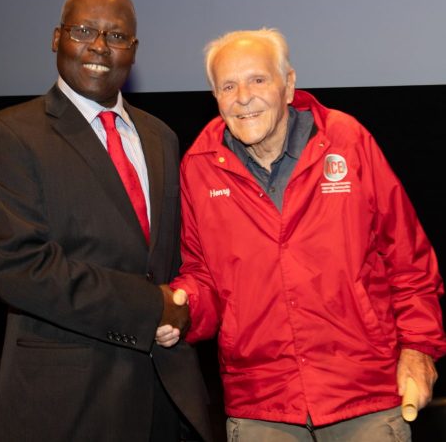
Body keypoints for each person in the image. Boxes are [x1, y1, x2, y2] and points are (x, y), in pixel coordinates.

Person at [156, 28, 446, 441]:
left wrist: (419, 349)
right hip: (262, 403)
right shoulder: (199, 168)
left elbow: (408, 260)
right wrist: (181, 311)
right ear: (216, 98)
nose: (243, 96)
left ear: (288, 85)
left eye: (258, 79)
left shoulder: (347, 141)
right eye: (228, 85)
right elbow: (202, 276)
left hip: (364, 396)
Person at [0, 0, 212, 442]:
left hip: (166, 397)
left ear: (134, 51)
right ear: (56, 38)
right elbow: (22, 269)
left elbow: (174, 258)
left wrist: (188, 301)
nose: (100, 46)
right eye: (84, 30)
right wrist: (151, 307)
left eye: (117, 36)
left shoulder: (161, 137)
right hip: (69, 406)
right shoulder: (8, 136)